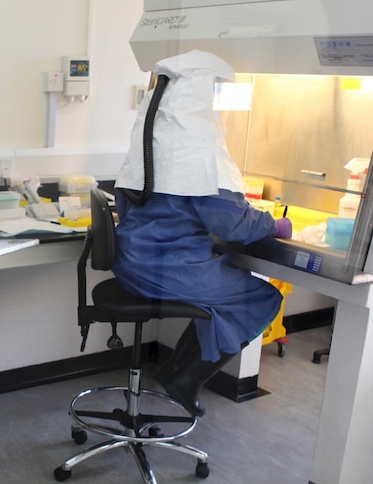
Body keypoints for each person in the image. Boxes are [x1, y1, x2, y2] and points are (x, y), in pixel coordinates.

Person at [113, 50, 292, 417]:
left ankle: (177, 372)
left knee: (222, 296)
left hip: (133, 263)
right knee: (260, 298)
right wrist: (272, 224)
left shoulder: (151, 145)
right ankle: (186, 379)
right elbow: (233, 225)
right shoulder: (196, 153)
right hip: (170, 269)